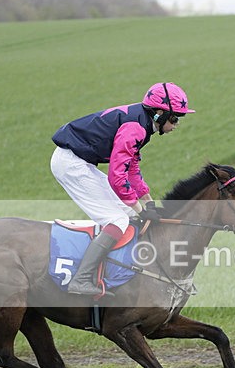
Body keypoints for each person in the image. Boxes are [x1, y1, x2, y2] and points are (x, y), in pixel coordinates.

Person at [50, 82, 195, 295]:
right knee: (118, 220)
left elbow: (132, 169)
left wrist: (149, 203)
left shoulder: (142, 123)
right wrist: (141, 209)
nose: (176, 125)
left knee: (128, 212)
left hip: (80, 161)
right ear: (158, 114)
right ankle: (81, 279)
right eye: (174, 119)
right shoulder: (135, 128)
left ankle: (128, 272)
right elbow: (117, 176)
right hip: (71, 164)